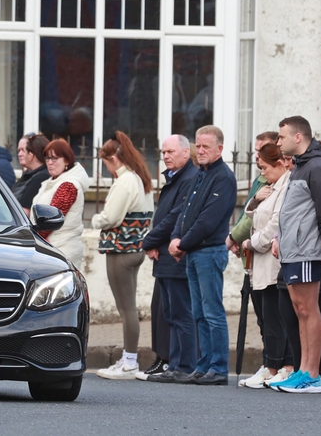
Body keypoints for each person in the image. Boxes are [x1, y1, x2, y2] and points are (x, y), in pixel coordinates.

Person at [269, 115, 321, 394]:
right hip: (293, 251)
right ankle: (301, 370)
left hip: (308, 250)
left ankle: (313, 374)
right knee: (300, 311)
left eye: (282, 136)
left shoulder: (318, 168)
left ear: (299, 137)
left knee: (309, 310)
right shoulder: (299, 167)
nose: (278, 141)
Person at [169, 125, 237, 386]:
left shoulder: (224, 178)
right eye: (198, 146)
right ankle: (204, 364)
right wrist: (177, 237)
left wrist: (182, 243)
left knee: (212, 312)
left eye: (206, 146)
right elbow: (186, 212)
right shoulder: (201, 175)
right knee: (198, 312)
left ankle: (218, 368)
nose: (201, 151)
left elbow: (208, 220)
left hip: (209, 252)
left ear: (220, 148)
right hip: (194, 251)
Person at [91, 131, 155, 380]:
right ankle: (129, 359)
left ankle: (129, 361)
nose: (107, 168)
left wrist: (96, 219)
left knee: (126, 308)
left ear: (114, 159)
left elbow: (111, 217)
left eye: (106, 163)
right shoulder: (140, 178)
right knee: (128, 307)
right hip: (134, 248)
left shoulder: (125, 181)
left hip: (121, 249)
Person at [138, 134, 199, 383]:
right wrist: (154, 244)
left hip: (175, 256)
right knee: (166, 312)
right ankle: (171, 362)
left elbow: (176, 216)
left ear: (186, 152)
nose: (165, 156)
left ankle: (181, 364)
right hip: (163, 253)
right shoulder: (174, 178)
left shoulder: (190, 178)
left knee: (179, 312)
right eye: (163, 152)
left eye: (171, 151)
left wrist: (150, 241)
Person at [238, 143, 292, 388]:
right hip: (259, 261)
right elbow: (252, 216)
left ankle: (276, 365)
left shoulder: (286, 187)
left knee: (274, 318)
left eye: (265, 168)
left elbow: (274, 225)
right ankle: (270, 363)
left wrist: (251, 242)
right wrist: (253, 200)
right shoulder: (271, 186)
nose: (262, 174)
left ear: (279, 165)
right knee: (264, 317)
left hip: (271, 261)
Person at [31, 139, 90, 268]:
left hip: (62, 249)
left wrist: (31, 238)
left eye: (55, 158)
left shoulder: (68, 185)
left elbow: (49, 221)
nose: (50, 163)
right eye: (47, 158)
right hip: (51, 247)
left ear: (67, 161)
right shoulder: (52, 182)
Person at [12, 132, 51, 215]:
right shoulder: (28, 174)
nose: (19, 154)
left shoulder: (40, 178)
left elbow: (25, 212)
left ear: (32, 154)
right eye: (18, 150)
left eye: (23, 150)